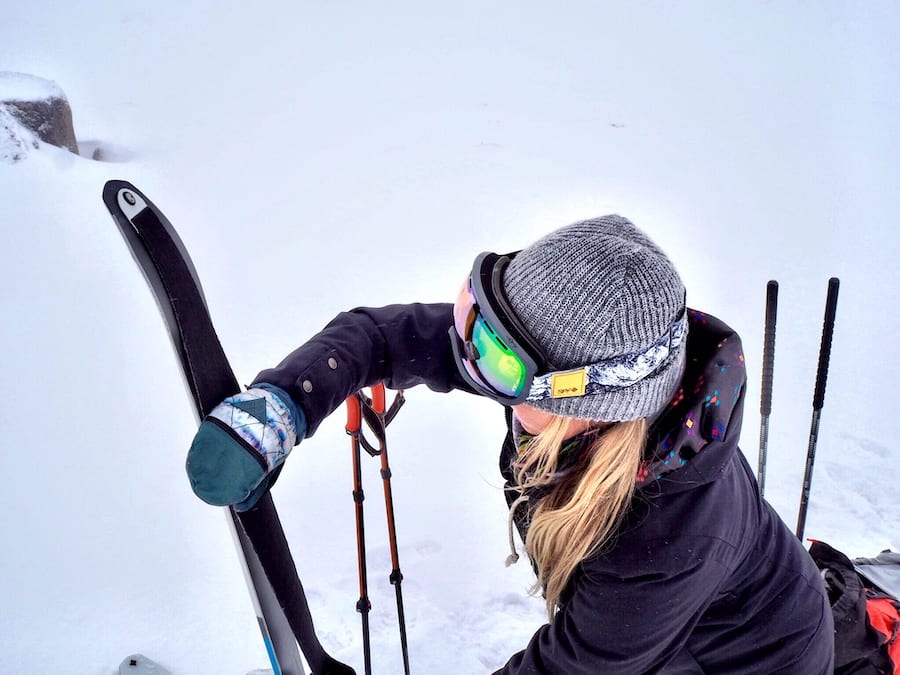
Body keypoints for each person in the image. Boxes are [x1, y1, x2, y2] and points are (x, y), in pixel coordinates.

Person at [185, 215, 835, 673]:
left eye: (498, 361)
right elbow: (379, 336)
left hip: (747, 658)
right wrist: (286, 401)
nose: (473, 362)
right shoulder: (553, 380)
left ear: (588, 403)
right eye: (481, 328)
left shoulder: (668, 540)